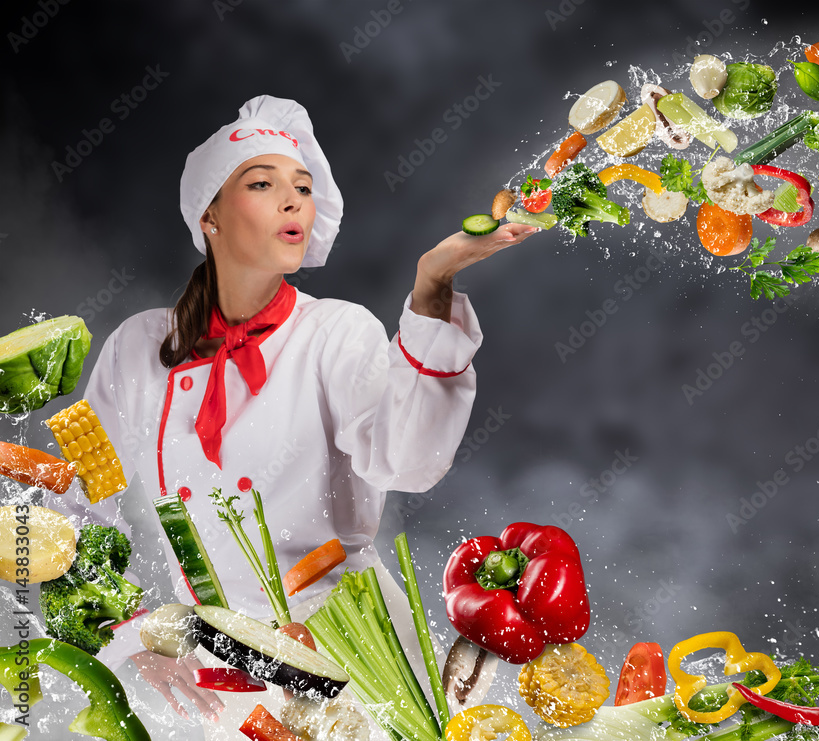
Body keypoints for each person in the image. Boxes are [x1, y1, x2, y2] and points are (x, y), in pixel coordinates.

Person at [67, 94, 538, 737]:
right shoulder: (133, 349)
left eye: (303, 187)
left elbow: (409, 461)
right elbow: (75, 506)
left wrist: (431, 287)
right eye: (262, 184)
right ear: (209, 215)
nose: (293, 201)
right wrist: (133, 635)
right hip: (212, 672)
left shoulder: (335, 331)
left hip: (354, 653)